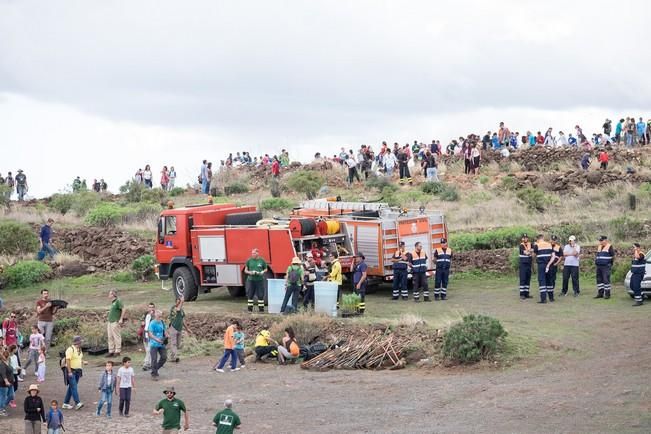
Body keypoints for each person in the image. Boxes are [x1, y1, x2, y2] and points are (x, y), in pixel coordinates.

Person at [62, 335, 84, 410]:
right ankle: (77, 402)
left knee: (71, 387)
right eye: (81, 342)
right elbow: (68, 360)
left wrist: (83, 362)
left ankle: (65, 403)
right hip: (71, 370)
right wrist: (69, 371)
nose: (81, 343)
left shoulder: (79, 350)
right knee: (74, 386)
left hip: (78, 370)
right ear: (78, 342)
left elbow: (78, 359)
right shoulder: (70, 349)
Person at [244, 249, 267, 313]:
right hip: (251, 280)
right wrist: (250, 272)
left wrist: (262, 272)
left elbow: (266, 269)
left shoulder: (262, 260)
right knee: (250, 295)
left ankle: (261, 310)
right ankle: (249, 310)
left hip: (259, 280)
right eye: (252, 253)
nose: (252, 255)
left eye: (254, 253)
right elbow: (245, 270)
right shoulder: (249, 260)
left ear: (257, 253)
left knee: (260, 295)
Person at [533, 234, 553, 304]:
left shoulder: (537, 245)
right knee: (549, 280)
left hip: (541, 265)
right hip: (549, 265)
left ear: (537, 239)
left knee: (542, 280)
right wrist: (549, 264)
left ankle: (543, 299)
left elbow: (534, 255)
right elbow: (553, 255)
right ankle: (551, 297)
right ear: (543, 238)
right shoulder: (549, 244)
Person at [148, 310, 167, 380]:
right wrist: (156, 339)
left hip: (161, 344)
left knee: (164, 357)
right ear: (155, 315)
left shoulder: (162, 322)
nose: (160, 318)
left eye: (161, 316)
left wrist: (166, 335)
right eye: (159, 316)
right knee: (154, 359)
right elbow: (150, 334)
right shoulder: (152, 323)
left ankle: (155, 369)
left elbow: (164, 330)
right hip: (154, 344)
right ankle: (154, 374)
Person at [594, 235, 615, 299]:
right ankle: (600, 293)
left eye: (601, 240)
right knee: (599, 280)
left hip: (606, 266)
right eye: (600, 241)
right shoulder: (599, 246)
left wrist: (610, 263)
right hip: (599, 266)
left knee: (606, 280)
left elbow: (613, 256)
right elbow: (597, 255)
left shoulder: (609, 246)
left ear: (605, 240)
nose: (600, 242)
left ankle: (607, 294)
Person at [107, 289, 126, 358]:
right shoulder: (113, 302)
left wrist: (121, 319)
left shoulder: (118, 301)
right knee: (110, 336)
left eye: (110, 294)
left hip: (115, 321)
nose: (108, 295)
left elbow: (123, 309)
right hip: (110, 321)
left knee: (116, 336)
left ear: (113, 294)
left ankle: (117, 351)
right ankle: (111, 351)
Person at [544, 235, 563, 302]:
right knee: (546, 278)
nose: (553, 241)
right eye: (552, 240)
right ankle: (546, 291)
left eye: (554, 240)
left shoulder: (558, 247)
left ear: (556, 241)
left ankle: (551, 291)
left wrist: (556, 263)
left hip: (553, 265)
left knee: (553, 279)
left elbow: (561, 256)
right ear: (550, 240)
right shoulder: (547, 246)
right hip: (547, 265)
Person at [168, 299, 184, 364]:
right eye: (178, 302)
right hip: (173, 327)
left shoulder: (182, 310)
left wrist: (187, 328)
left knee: (178, 344)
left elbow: (182, 319)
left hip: (179, 328)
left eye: (179, 302)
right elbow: (178, 309)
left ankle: (172, 357)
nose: (179, 303)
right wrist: (182, 301)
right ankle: (175, 357)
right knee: (173, 343)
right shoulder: (173, 308)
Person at [518, 234, 533, 300]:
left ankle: (526, 293)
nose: (525, 239)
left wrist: (529, 251)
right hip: (523, 264)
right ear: (522, 239)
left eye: (526, 237)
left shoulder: (530, 244)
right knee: (523, 278)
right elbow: (526, 253)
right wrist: (530, 252)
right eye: (524, 238)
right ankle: (522, 294)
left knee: (528, 278)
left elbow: (533, 251)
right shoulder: (521, 245)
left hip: (529, 264)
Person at [142, 302, 156, 371]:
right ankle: (150, 363)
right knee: (147, 350)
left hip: (151, 334)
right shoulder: (145, 314)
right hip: (145, 333)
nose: (151, 308)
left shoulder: (155, 316)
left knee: (149, 350)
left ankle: (146, 363)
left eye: (152, 307)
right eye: (150, 307)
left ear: (154, 308)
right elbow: (143, 322)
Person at [0, 350, 12, 416]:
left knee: (3, 396)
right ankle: (1, 410)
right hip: (2, 383)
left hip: (4, 383)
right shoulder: (2, 364)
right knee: (3, 396)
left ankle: (2, 408)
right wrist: (6, 381)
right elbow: (3, 374)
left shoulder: (5, 363)